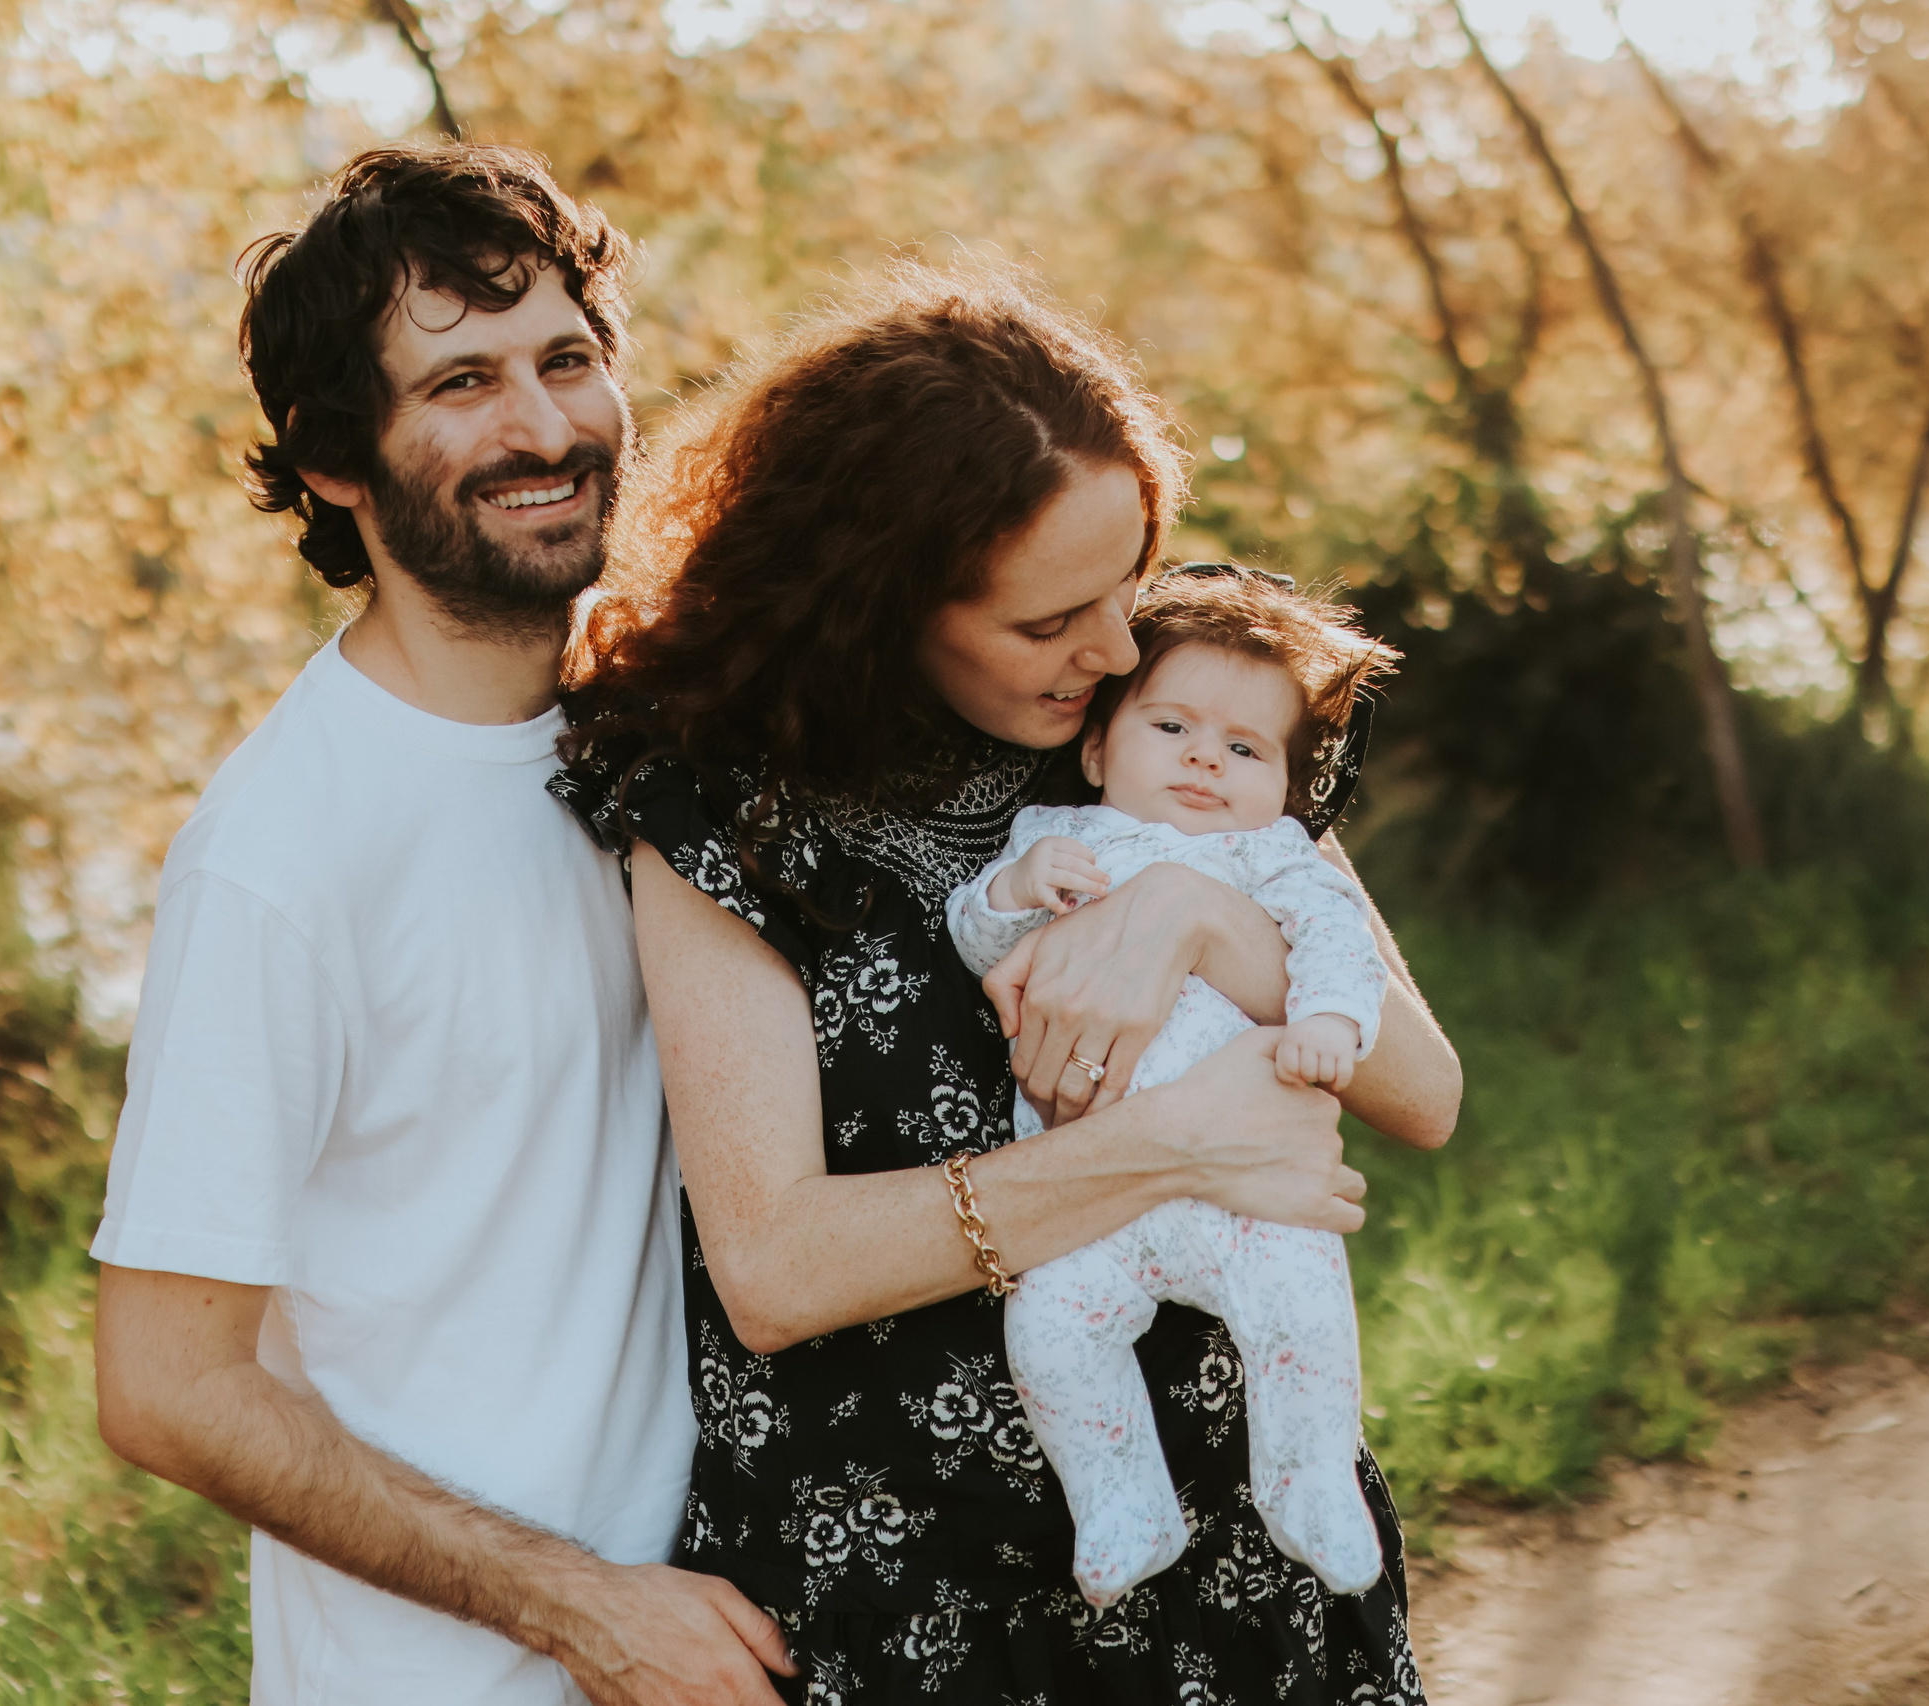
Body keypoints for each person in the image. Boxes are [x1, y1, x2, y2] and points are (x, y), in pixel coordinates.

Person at [557, 262, 1461, 1702]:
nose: (1109, 650)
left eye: (1129, 586)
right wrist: (1164, 1149)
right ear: (881, 601)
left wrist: (1188, 917)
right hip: (925, 1586)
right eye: (1051, 622)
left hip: (1242, 1563)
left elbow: (1419, 1088)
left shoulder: (1161, 713)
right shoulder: (725, 814)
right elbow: (779, 1269)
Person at [88, 144, 793, 1705]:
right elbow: (165, 1386)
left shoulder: (650, 740)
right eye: (461, 384)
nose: (542, 427)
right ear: (338, 459)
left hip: (724, 1635)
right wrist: (581, 1607)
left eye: (567, 359)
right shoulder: (282, 853)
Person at [944, 567, 1397, 1611]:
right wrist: (1014, 892)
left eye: (1243, 748)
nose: (1204, 756)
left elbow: (1339, 941)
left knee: (1304, 1319)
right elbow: (977, 936)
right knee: (1052, 1333)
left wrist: (1329, 1020)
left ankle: (1310, 1479)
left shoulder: (1272, 857)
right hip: (1084, 1198)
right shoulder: (1054, 841)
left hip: (1245, 1193)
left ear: (1282, 786)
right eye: (1172, 726)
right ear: (1098, 747)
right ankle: (1120, 1500)